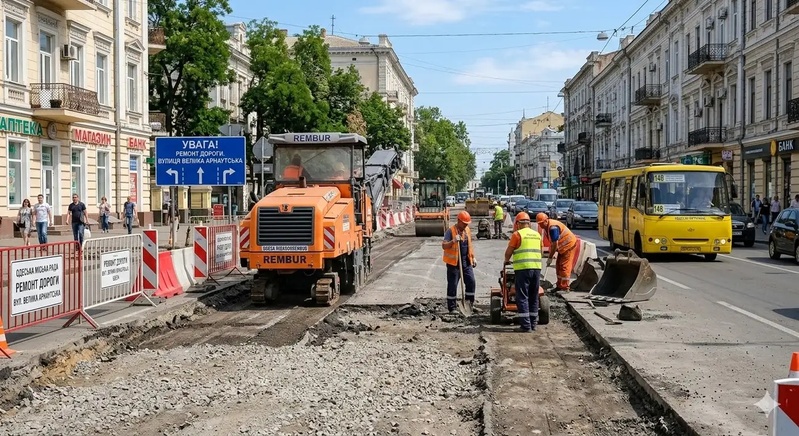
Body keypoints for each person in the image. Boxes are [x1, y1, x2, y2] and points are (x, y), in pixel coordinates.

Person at [503, 212, 543, 332]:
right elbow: (540, 251)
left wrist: (506, 261)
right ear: (529, 223)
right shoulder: (537, 235)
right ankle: (533, 323)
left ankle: (526, 326)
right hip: (536, 268)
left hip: (523, 269)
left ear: (518, 223)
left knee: (522, 296)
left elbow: (509, 251)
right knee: (533, 296)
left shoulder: (517, 235)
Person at [441, 211, 477, 313]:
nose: (466, 225)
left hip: (466, 262)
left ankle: (469, 304)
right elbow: (444, 246)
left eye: (467, 223)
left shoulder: (467, 230)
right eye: (464, 223)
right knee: (452, 285)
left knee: (471, 282)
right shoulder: (450, 231)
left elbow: (470, 245)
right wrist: (453, 241)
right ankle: (452, 308)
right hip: (453, 263)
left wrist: (473, 257)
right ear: (459, 221)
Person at [536, 212, 578, 292]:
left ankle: (565, 287)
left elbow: (555, 244)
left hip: (569, 245)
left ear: (546, 220)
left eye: (541, 223)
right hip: (563, 247)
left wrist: (550, 257)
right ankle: (559, 286)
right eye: (539, 224)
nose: (540, 226)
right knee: (558, 265)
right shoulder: (547, 227)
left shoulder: (553, 228)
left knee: (564, 266)